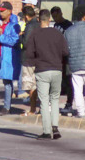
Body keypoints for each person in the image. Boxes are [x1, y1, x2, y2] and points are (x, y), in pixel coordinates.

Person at [24, 9, 70, 140]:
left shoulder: (35, 34)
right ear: (49, 19)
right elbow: (66, 51)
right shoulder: (57, 33)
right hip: (57, 70)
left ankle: (46, 131)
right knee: (55, 99)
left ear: (39, 20)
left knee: (44, 101)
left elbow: (29, 53)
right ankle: (55, 128)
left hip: (42, 70)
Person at [18, 6, 39, 115]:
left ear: (26, 16)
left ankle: (32, 109)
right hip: (38, 58)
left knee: (29, 85)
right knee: (36, 84)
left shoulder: (30, 26)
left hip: (29, 59)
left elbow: (26, 43)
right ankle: (36, 108)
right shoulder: (39, 24)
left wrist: (21, 35)